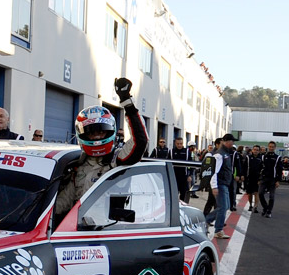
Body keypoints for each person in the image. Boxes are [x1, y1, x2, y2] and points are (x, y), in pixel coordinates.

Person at [54, 77, 148, 216]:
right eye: (92, 133)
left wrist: (127, 102)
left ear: (110, 131)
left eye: (101, 131)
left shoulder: (117, 160)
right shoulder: (77, 165)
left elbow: (140, 142)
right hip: (77, 230)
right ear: (83, 135)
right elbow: (64, 202)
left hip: (107, 230)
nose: (97, 136)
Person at [204, 133, 236, 239]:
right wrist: (214, 186)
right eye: (232, 141)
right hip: (220, 184)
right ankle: (217, 229)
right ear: (227, 141)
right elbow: (214, 171)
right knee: (223, 207)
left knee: (225, 206)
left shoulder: (226, 153)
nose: (233, 143)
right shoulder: (219, 155)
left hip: (224, 184)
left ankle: (207, 222)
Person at [258, 141, 283, 218]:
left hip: (273, 179)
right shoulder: (263, 156)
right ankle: (265, 208)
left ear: (275, 148)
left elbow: (279, 170)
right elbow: (259, 168)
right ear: (268, 147)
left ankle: (269, 211)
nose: (271, 148)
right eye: (270, 146)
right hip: (264, 178)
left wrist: (278, 181)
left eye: (273, 147)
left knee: (271, 196)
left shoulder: (278, 157)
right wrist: (259, 179)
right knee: (260, 193)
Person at [171, 137, 192, 203]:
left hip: (184, 177)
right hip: (174, 177)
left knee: (184, 195)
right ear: (175, 143)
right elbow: (167, 163)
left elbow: (191, 164)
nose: (179, 145)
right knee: (173, 195)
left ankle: (183, 208)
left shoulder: (187, 151)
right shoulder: (171, 152)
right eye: (178, 144)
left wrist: (190, 175)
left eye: (181, 143)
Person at [245, 145, 263, 213]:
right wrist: (243, 176)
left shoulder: (261, 158)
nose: (255, 151)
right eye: (254, 149)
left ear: (259, 151)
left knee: (256, 192)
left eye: (257, 150)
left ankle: (255, 207)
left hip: (258, 178)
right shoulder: (248, 157)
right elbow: (245, 167)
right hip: (249, 177)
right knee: (249, 193)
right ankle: (250, 205)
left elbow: (263, 168)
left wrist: (261, 178)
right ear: (252, 150)